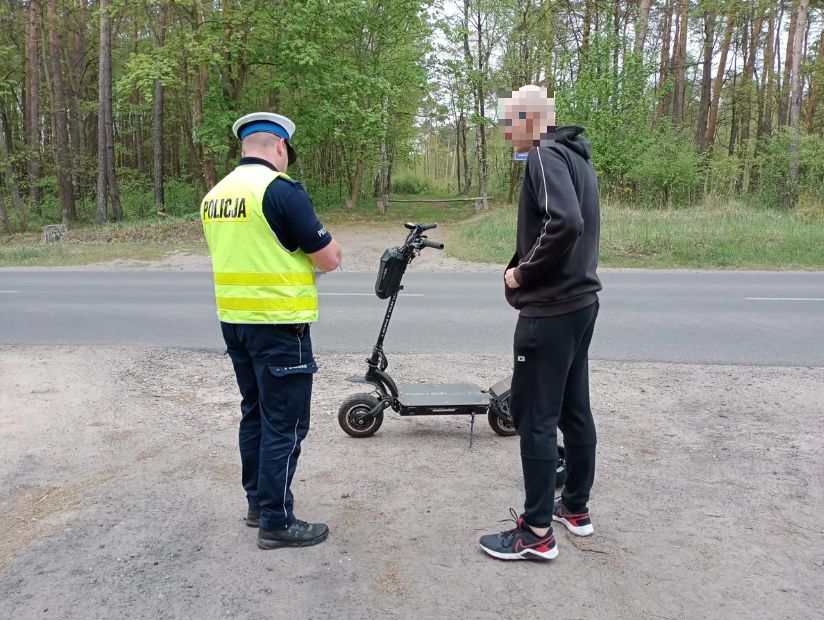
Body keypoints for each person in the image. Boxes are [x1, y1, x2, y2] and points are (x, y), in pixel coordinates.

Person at [200, 112, 342, 550]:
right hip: (281, 325)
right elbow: (329, 257)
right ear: (280, 147)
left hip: (235, 324)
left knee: (255, 414)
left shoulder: (215, 196)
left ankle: (258, 506)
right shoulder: (280, 191)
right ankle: (277, 522)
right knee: (286, 424)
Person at [479, 86, 602, 561]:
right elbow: (574, 222)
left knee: (534, 417)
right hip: (582, 302)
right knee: (574, 408)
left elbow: (565, 222)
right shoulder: (577, 157)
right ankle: (575, 508)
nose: (508, 133)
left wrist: (521, 272)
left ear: (530, 120)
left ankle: (535, 534)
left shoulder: (545, 156)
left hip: (550, 308)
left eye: (511, 123)